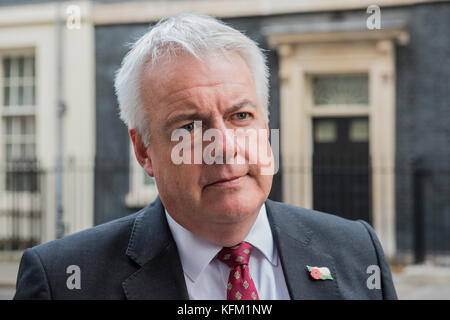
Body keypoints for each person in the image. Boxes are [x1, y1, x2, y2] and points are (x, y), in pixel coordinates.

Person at [14, 13, 397, 300]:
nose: (225, 146)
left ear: (265, 125)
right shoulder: (62, 281)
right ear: (144, 150)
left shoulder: (358, 251)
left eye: (241, 116)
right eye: (191, 127)